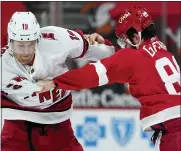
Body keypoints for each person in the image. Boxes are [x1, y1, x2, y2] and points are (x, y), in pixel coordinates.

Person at [48, 6, 181, 151]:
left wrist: (56, 82)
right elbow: (126, 63)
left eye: (124, 39)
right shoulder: (161, 49)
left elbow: (94, 74)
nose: (124, 45)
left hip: (173, 129)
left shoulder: (132, 58)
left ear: (135, 36)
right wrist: (105, 45)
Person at [1, 11, 117, 151]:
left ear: (38, 38)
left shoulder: (56, 38)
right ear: (10, 42)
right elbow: (38, 91)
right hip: (17, 129)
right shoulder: (3, 65)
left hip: (58, 127)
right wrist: (56, 83)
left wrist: (105, 47)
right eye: (20, 45)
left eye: (30, 44)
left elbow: (106, 53)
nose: (26, 52)